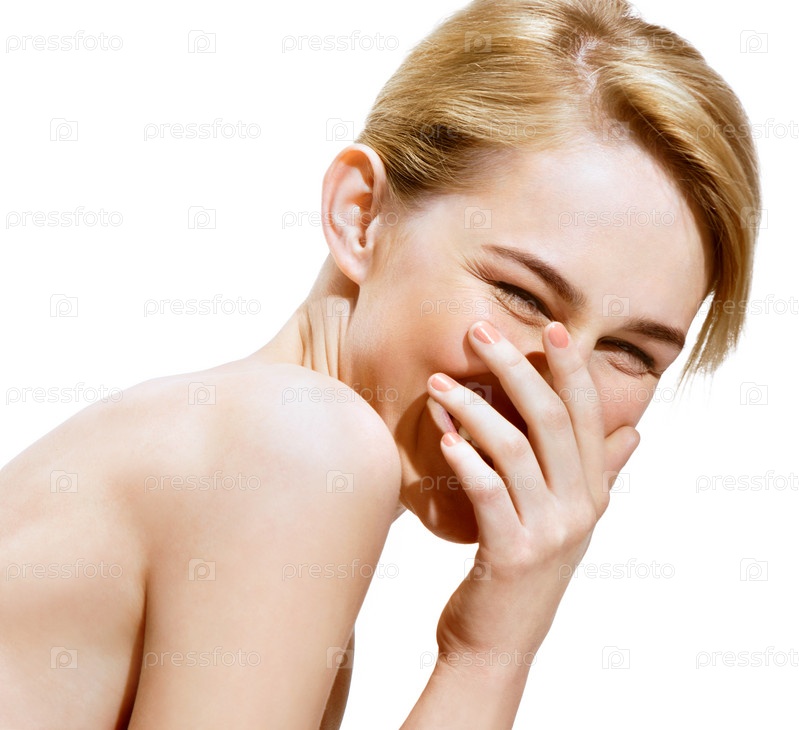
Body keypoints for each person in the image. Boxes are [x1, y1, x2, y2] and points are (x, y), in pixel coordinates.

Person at [0, 0, 760, 726]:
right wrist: (488, 654)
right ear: (359, 216)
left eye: (629, 352)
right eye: (521, 295)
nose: (558, 393)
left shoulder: (237, 445)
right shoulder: (297, 442)